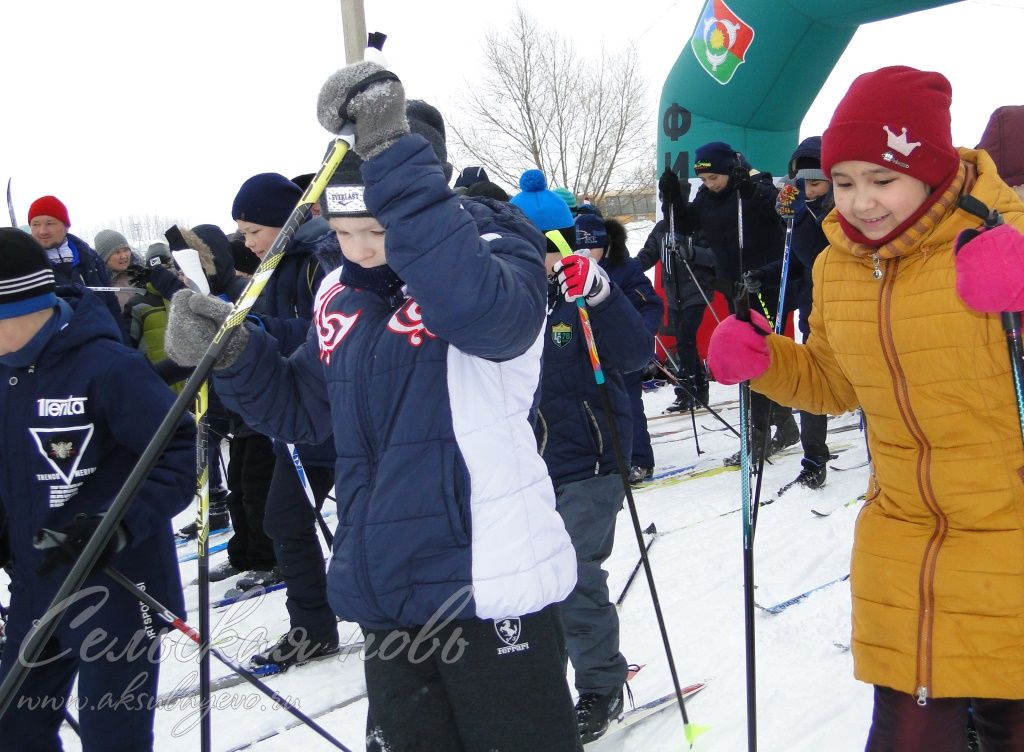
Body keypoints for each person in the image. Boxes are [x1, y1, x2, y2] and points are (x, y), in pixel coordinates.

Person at [165, 64, 581, 752]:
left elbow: (489, 318)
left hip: (488, 580)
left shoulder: (494, 252)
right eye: (345, 231)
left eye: (379, 232)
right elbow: (306, 409)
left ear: (420, 201)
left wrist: (392, 164)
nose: (359, 252)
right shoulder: (339, 290)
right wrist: (238, 359)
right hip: (388, 582)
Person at [707, 65, 1024, 751]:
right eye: (843, 182)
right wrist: (769, 362)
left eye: (883, 180)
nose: (861, 204)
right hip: (906, 543)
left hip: (1012, 538)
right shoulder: (840, 263)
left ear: (934, 171)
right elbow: (834, 383)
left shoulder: (1006, 236)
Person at [0, 228, 195, 751]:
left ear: (19, 305)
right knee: (13, 729)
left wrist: (116, 527)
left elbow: (177, 454)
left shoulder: (110, 367)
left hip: (116, 585)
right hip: (37, 587)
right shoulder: (4, 375)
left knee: (114, 739)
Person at [512, 169, 653, 742]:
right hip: (528, 467)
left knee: (572, 574)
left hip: (593, 461)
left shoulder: (580, 295)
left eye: (544, 250)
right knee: (528, 582)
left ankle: (600, 685)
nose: (535, 261)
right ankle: (539, 681)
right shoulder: (509, 304)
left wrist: (600, 293)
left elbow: (636, 351)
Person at [682, 141, 799, 465]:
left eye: (714, 178)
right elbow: (686, 224)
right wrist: (672, 201)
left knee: (758, 359)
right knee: (753, 358)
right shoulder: (707, 197)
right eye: (704, 180)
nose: (709, 185)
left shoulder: (754, 187)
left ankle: (758, 437)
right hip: (735, 288)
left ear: (728, 171)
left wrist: (752, 191)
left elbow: (780, 215)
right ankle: (784, 424)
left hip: (765, 283)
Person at [743, 137, 833, 492]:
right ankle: (814, 459)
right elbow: (795, 263)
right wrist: (763, 275)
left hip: (852, 314)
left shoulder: (843, 214)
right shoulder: (803, 214)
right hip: (816, 315)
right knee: (814, 385)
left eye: (816, 182)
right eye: (802, 183)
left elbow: (822, 259)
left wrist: (798, 226)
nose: (808, 190)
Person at [577, 213, 664, 483]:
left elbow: (651, 305)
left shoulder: (625, 268)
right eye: (581, 246)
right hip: (588, 351)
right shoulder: (571, 268)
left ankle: (639, 460)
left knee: (627, 405)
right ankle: (605, 460)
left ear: (606, 245)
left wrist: (640, 337)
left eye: (593, 247)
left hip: (622, 351)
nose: (587, 253)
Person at [637, 169, 715, 413]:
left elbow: (713, 256)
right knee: (684, 341)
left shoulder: (695, 224)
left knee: (685, 338)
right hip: (675, 294)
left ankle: (690, 390)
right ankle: (695, 387)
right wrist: (623, 268)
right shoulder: (661, 229)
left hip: (696, 290)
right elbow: (646, 256)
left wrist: (691, 253)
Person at [26, 195, 123, 331]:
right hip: (57, 346)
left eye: (50, 223)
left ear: (66, 226)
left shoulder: (90, 258)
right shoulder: (25, 264)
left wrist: (122, 342)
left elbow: (110, 303)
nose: (42, 231)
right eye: (35, 224)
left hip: (102, 338)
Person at [93, 229, 143, 311]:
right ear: (104, 257)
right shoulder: (100, 285)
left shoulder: (142, 273)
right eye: (117, 252)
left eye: (126, 250)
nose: (123, 256)